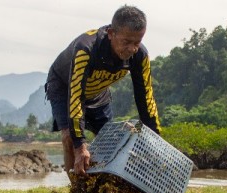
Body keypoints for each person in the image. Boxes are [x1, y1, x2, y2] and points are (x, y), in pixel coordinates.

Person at [45, 5, 162, 177]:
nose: (131, 49)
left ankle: (103, 186)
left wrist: (156, 140)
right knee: (70, 138)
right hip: (65, 87)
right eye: (126, 42)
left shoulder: (140, 56)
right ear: (111, 33)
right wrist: (80, 146)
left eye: (137, 42)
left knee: (111, 140)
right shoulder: (86, 48)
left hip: (98, 92)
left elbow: (146, 98)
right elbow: (75, 95)